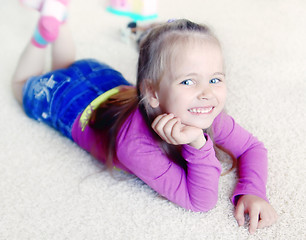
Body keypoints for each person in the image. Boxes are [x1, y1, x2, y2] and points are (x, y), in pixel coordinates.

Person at [12, 0, 277, 234]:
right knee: (20, 84)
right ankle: (41, 37)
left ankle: (56, 15)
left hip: (102, 78)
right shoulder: (135, 145)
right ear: (152, 92)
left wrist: (253, 190)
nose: (207, 93)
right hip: (65, 101)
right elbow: (200, 202)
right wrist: (197, 143)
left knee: (66, 66)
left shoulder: (205, 111)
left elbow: (252, 147)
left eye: (215, 79)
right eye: (188, 82)